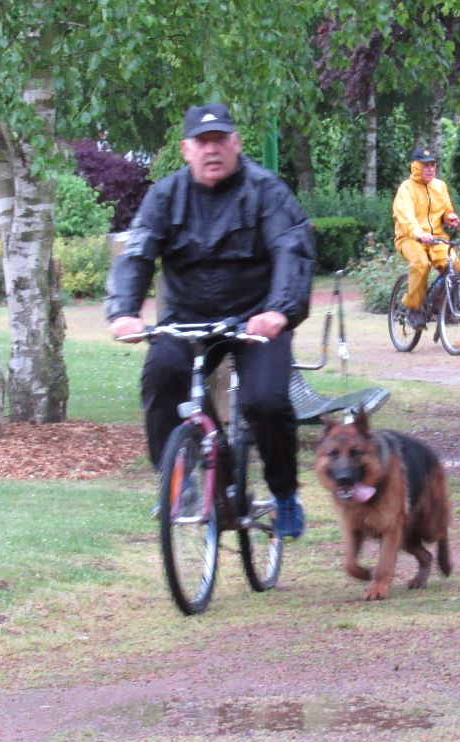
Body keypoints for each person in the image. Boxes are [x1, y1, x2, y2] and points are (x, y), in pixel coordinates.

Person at [105, 102, 316, 539]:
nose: (212, 150)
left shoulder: (266, 190)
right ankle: (180, 482)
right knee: (162, 377)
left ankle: (283, 494)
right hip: (187, 318)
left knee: (266, 402)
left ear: (236, 144)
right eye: (202, 142)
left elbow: (291, 248)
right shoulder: (165, 195)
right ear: (186, 149)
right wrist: (124, 311)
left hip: (256, 318)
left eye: (220, 140)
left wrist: (279, 310)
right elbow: (138, 252)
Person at [392, 147, 460, 328]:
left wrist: (450, 217)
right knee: (420, 264)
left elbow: (446, 210)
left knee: (453, 263)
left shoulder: (440, 187)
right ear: (415, 167)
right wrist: (418, 233)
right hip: (409, 238)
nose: (430, 169)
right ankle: (413, 308)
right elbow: (406, 216)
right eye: (425, 166)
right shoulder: (406, 189)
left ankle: (443, 306)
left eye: (432, 165)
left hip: (436, 238)